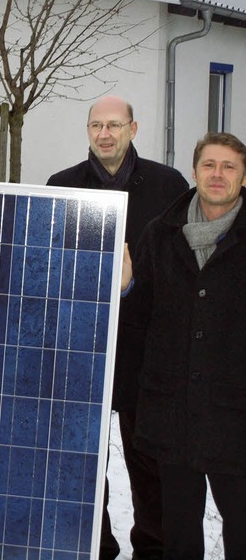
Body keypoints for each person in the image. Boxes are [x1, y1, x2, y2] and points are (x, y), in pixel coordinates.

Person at [47, 95, 188, 560]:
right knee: (84, 465)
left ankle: (153, 548)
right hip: (80, 346)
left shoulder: (169, 187)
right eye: (96, 126)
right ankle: (97, 547)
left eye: (114, 125)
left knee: (148, 464)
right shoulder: (63, 186)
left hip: (147, 347)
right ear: (87, 131)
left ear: (134, 128)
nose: (104, 134)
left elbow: (183, 268)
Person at [122, 132, 246, 559]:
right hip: (172, 414)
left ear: (243, 176)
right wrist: (126, 288)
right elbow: (139, 317)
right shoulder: (160, 233)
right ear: (194, 172)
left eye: (229, 167)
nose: (218, 175)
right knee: (177, 536)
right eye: (210, 165)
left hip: (236, 415)